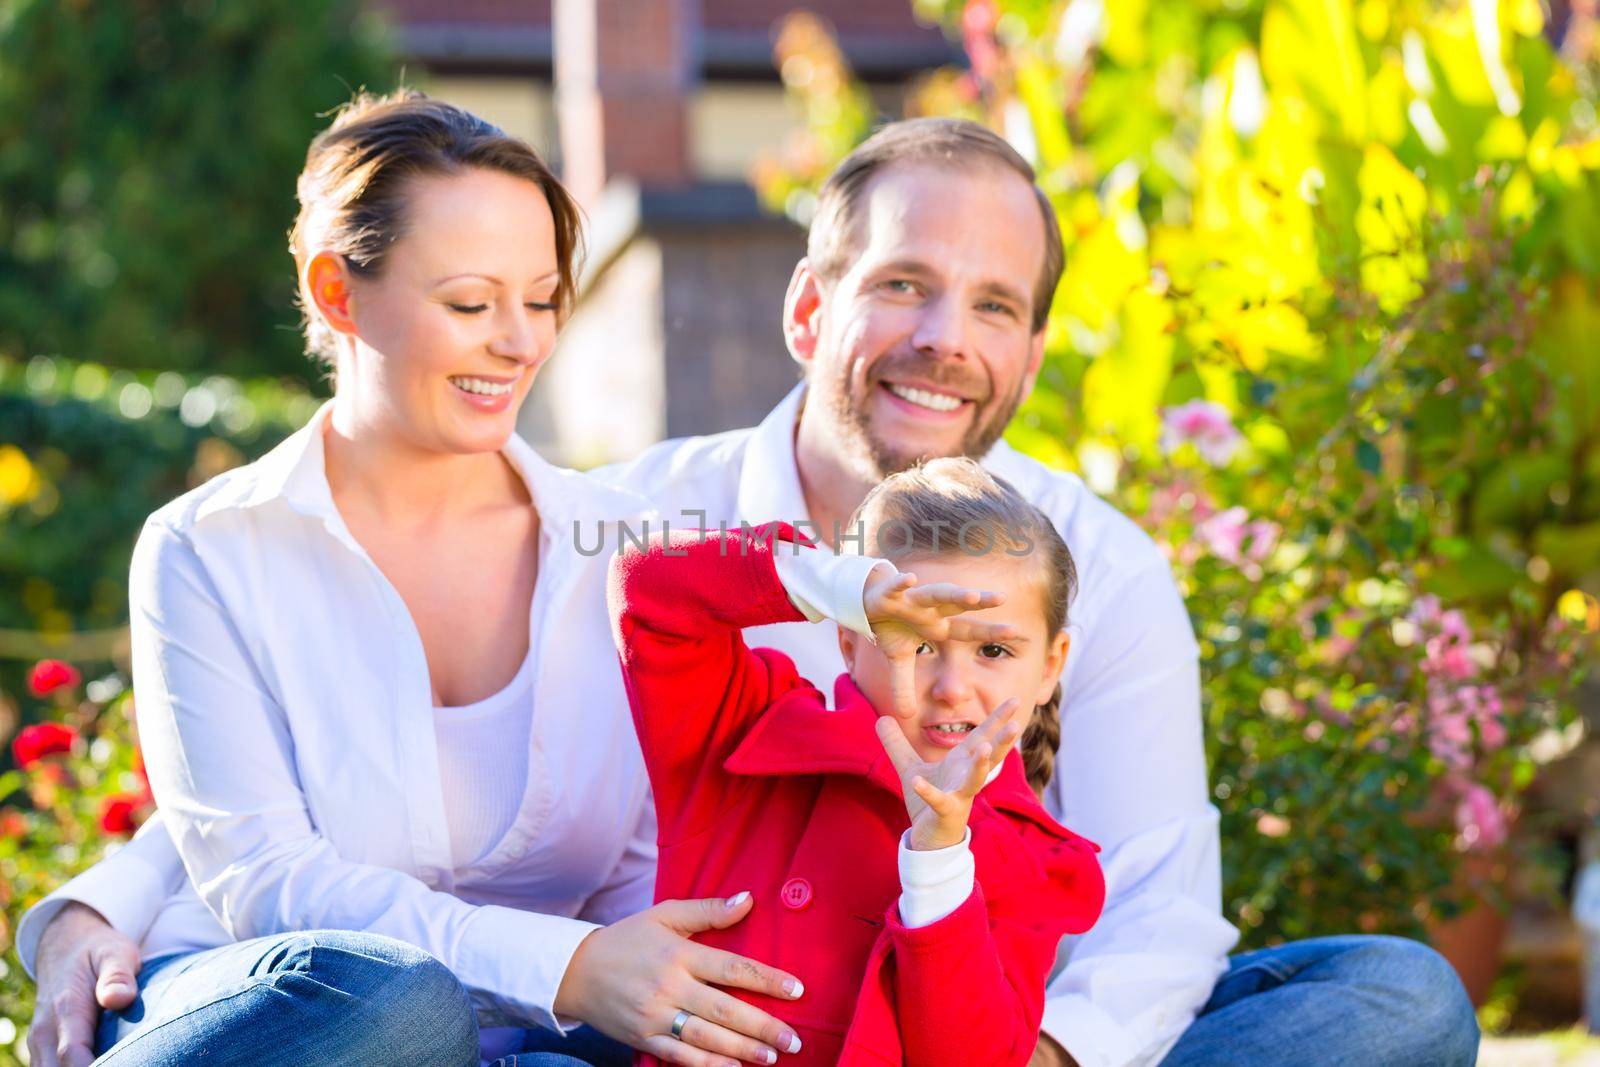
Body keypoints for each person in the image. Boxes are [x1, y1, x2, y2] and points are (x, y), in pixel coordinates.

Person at [22, 117, 1480, 1067]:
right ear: (808, 308)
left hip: (962, 1019)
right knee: (433, 1020)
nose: (941, 340)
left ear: (1032, 352)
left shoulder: (1090, 568)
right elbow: (321, 785)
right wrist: (97, 902)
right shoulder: (638, 524)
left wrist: (1038, 1057)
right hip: (686, 1021)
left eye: (992, 307)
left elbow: (1162, 908)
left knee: (1394, 1004)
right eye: (902, 284)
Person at [21, 90, 813, 1067]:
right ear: (336, 293)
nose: (519, 342)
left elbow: (643, 875)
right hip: (281, 1002)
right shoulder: (209, 547)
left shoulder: (627, 553)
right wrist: (567, 964)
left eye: (542, 299)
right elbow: (263, 878)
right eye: (471, 302)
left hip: (539, 1035)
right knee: (402, 1001)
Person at [610, 461, 1104, 1066]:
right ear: (848, 639)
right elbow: (648, 592)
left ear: (1051, 665)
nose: (952, 687)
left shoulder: (1032, 862)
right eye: (917, 642)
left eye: (993, 650)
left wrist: (939, 862)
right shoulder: (748, 735)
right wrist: (835, 584)